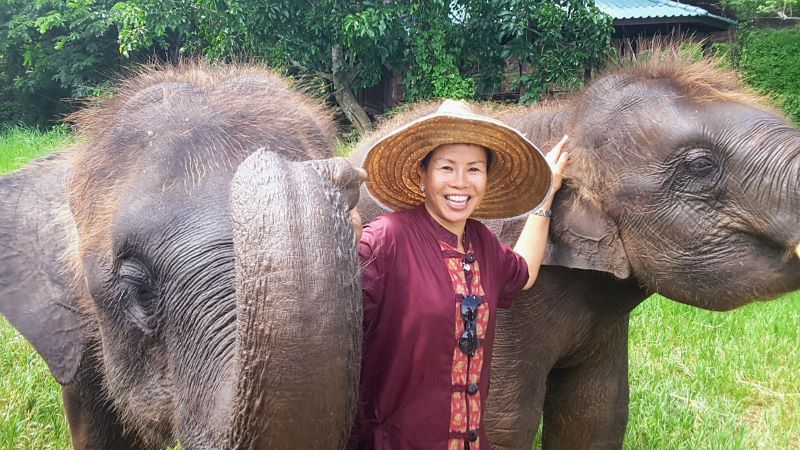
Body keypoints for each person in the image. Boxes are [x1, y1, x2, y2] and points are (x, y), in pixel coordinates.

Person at [349, 100, 569, 450]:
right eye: (447, 168)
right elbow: (331, 310)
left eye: (474, 169)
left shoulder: (481, 242)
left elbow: (523, 273)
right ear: (422, 173)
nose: (461, 183)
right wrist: (337, 239)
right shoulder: (386, 239)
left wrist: (547, 195)